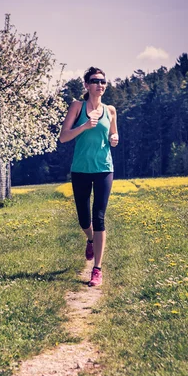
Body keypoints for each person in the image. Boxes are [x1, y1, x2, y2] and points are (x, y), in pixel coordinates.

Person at [59, 66, 118, 287]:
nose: (99, 85)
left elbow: (113, 133)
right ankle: (90, 239)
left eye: (103, 81)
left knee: (99, 217)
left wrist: (114, 138)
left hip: (104, 168)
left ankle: (97, 269)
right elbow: (64, 137)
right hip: (81, 169)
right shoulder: (77, 106)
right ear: (86, 85)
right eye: (95, 81)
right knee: (84, 218)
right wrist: (84, 126)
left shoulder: (111, 110)